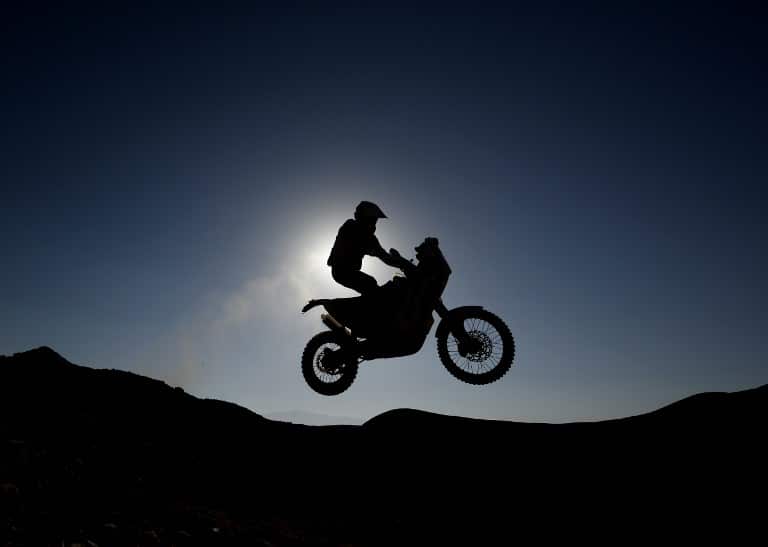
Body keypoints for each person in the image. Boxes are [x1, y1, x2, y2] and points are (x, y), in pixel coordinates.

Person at [325, 201, 408, 296]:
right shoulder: (352, 227)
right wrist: (401, 263)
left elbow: (384, 256)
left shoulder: (367, 236)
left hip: (345, 271)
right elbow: (382, 255)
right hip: (341, 271)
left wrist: (401, 263)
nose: (375, 223)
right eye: (373, 219)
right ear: (365, 217)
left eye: (375, 220)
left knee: (370, 283)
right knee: (370, 283)